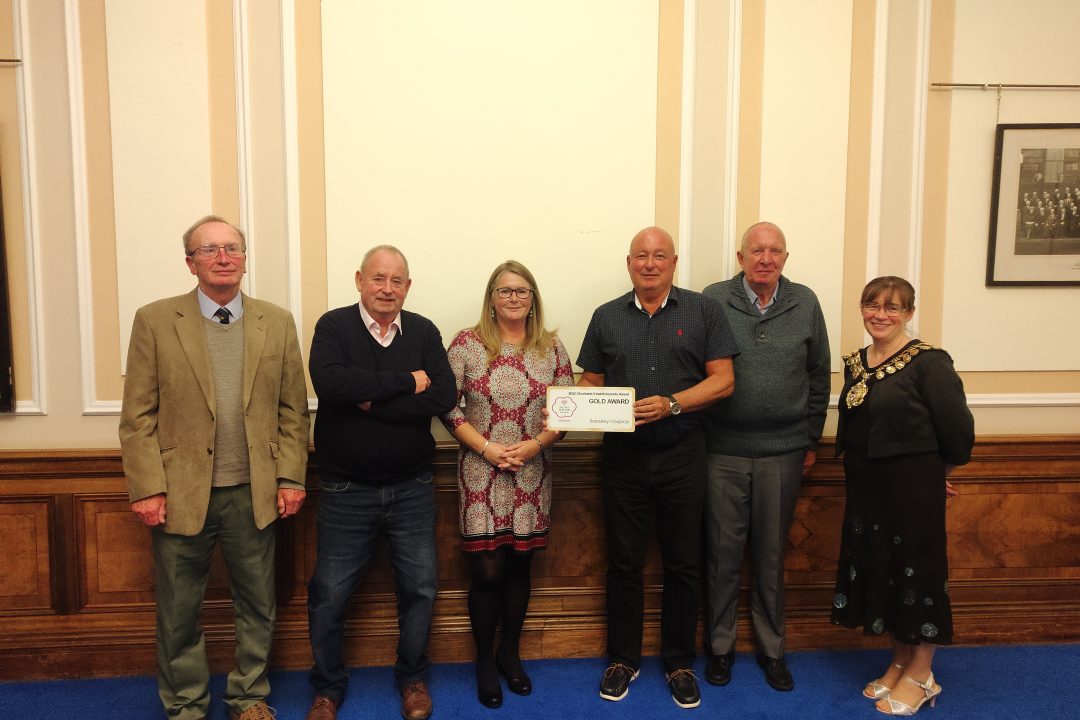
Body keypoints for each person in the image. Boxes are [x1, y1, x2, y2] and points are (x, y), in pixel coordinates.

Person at [119, 215, 310, 720]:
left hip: (256, 492)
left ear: (244, 259)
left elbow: (293, 410)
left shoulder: (277, 321)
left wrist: (290, 477)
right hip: (179, 494)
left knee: (258, 605)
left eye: (232, 248)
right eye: (209, 250)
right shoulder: (155, 320)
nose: (223, 257)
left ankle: (249, 697)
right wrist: (146, 488)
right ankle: (186, 704)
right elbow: (137, 417)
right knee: (179, 612)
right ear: (190, 262)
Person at [576, 226, 738, 709]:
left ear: (673, 263)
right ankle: (623, 659)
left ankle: (679, 662)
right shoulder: (606, 316)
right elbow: (591, 380)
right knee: (624, 564)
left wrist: (671, 404)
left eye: (659, 256)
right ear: (629, 263)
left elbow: (724, 381)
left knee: (683, 564)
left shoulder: (704, 310)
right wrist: (568, 406)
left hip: (683, 456)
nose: (650, 263)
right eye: (641, 256)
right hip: (623, 460)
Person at [304, 245, 456, 720]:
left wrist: (372, 396)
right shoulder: (334, 326)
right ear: (359, 280)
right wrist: (407, 382)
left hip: (412, 487)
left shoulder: (425, 330)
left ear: (407, 287)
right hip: (346, 490)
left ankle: (412, 679)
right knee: (328, 595)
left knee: (421, 590)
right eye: (378, 278)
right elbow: (330, 385)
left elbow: (445, 395)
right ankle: (327, 688)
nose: (387, 289)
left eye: (396, 281)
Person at [831, 276, 974, 716]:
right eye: (872, 305)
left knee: (919, 578)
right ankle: (899, 660)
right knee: (883, 572)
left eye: (893, 308)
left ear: (909, 313)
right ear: (862, 308)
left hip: (912, 493)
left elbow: (958, 433)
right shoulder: (857, 362)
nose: (881, 315)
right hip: (867, 492)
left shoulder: (929, 362)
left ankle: (923, 674)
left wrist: (935, 475)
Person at [701, 221, 830, 692]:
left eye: (775, 251)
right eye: (756, 250)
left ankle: (772, 650)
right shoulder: (712, 299)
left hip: (784, 452)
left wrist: (811, 439)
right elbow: (697, 369)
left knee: (772, 557)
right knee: (721, 556)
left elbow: (819, 376)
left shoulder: (806, 302)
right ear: (740, 257)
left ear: (785, 259)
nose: (765, 259)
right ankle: (720, 648)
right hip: (722, 451)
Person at [441, 260, 574, 708]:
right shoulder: (466, 344)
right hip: (480, 469)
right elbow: (448, 408)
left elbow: (566, 412)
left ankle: (509, 654)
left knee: (520, 566)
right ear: (491, 298)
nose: (513, 298)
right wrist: (486, 448)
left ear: (532, 298)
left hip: (531, 471)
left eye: (522, 291)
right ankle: (483, 661)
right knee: (488, 569)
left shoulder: (552, 349)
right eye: (505, 291)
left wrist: (536, 444)